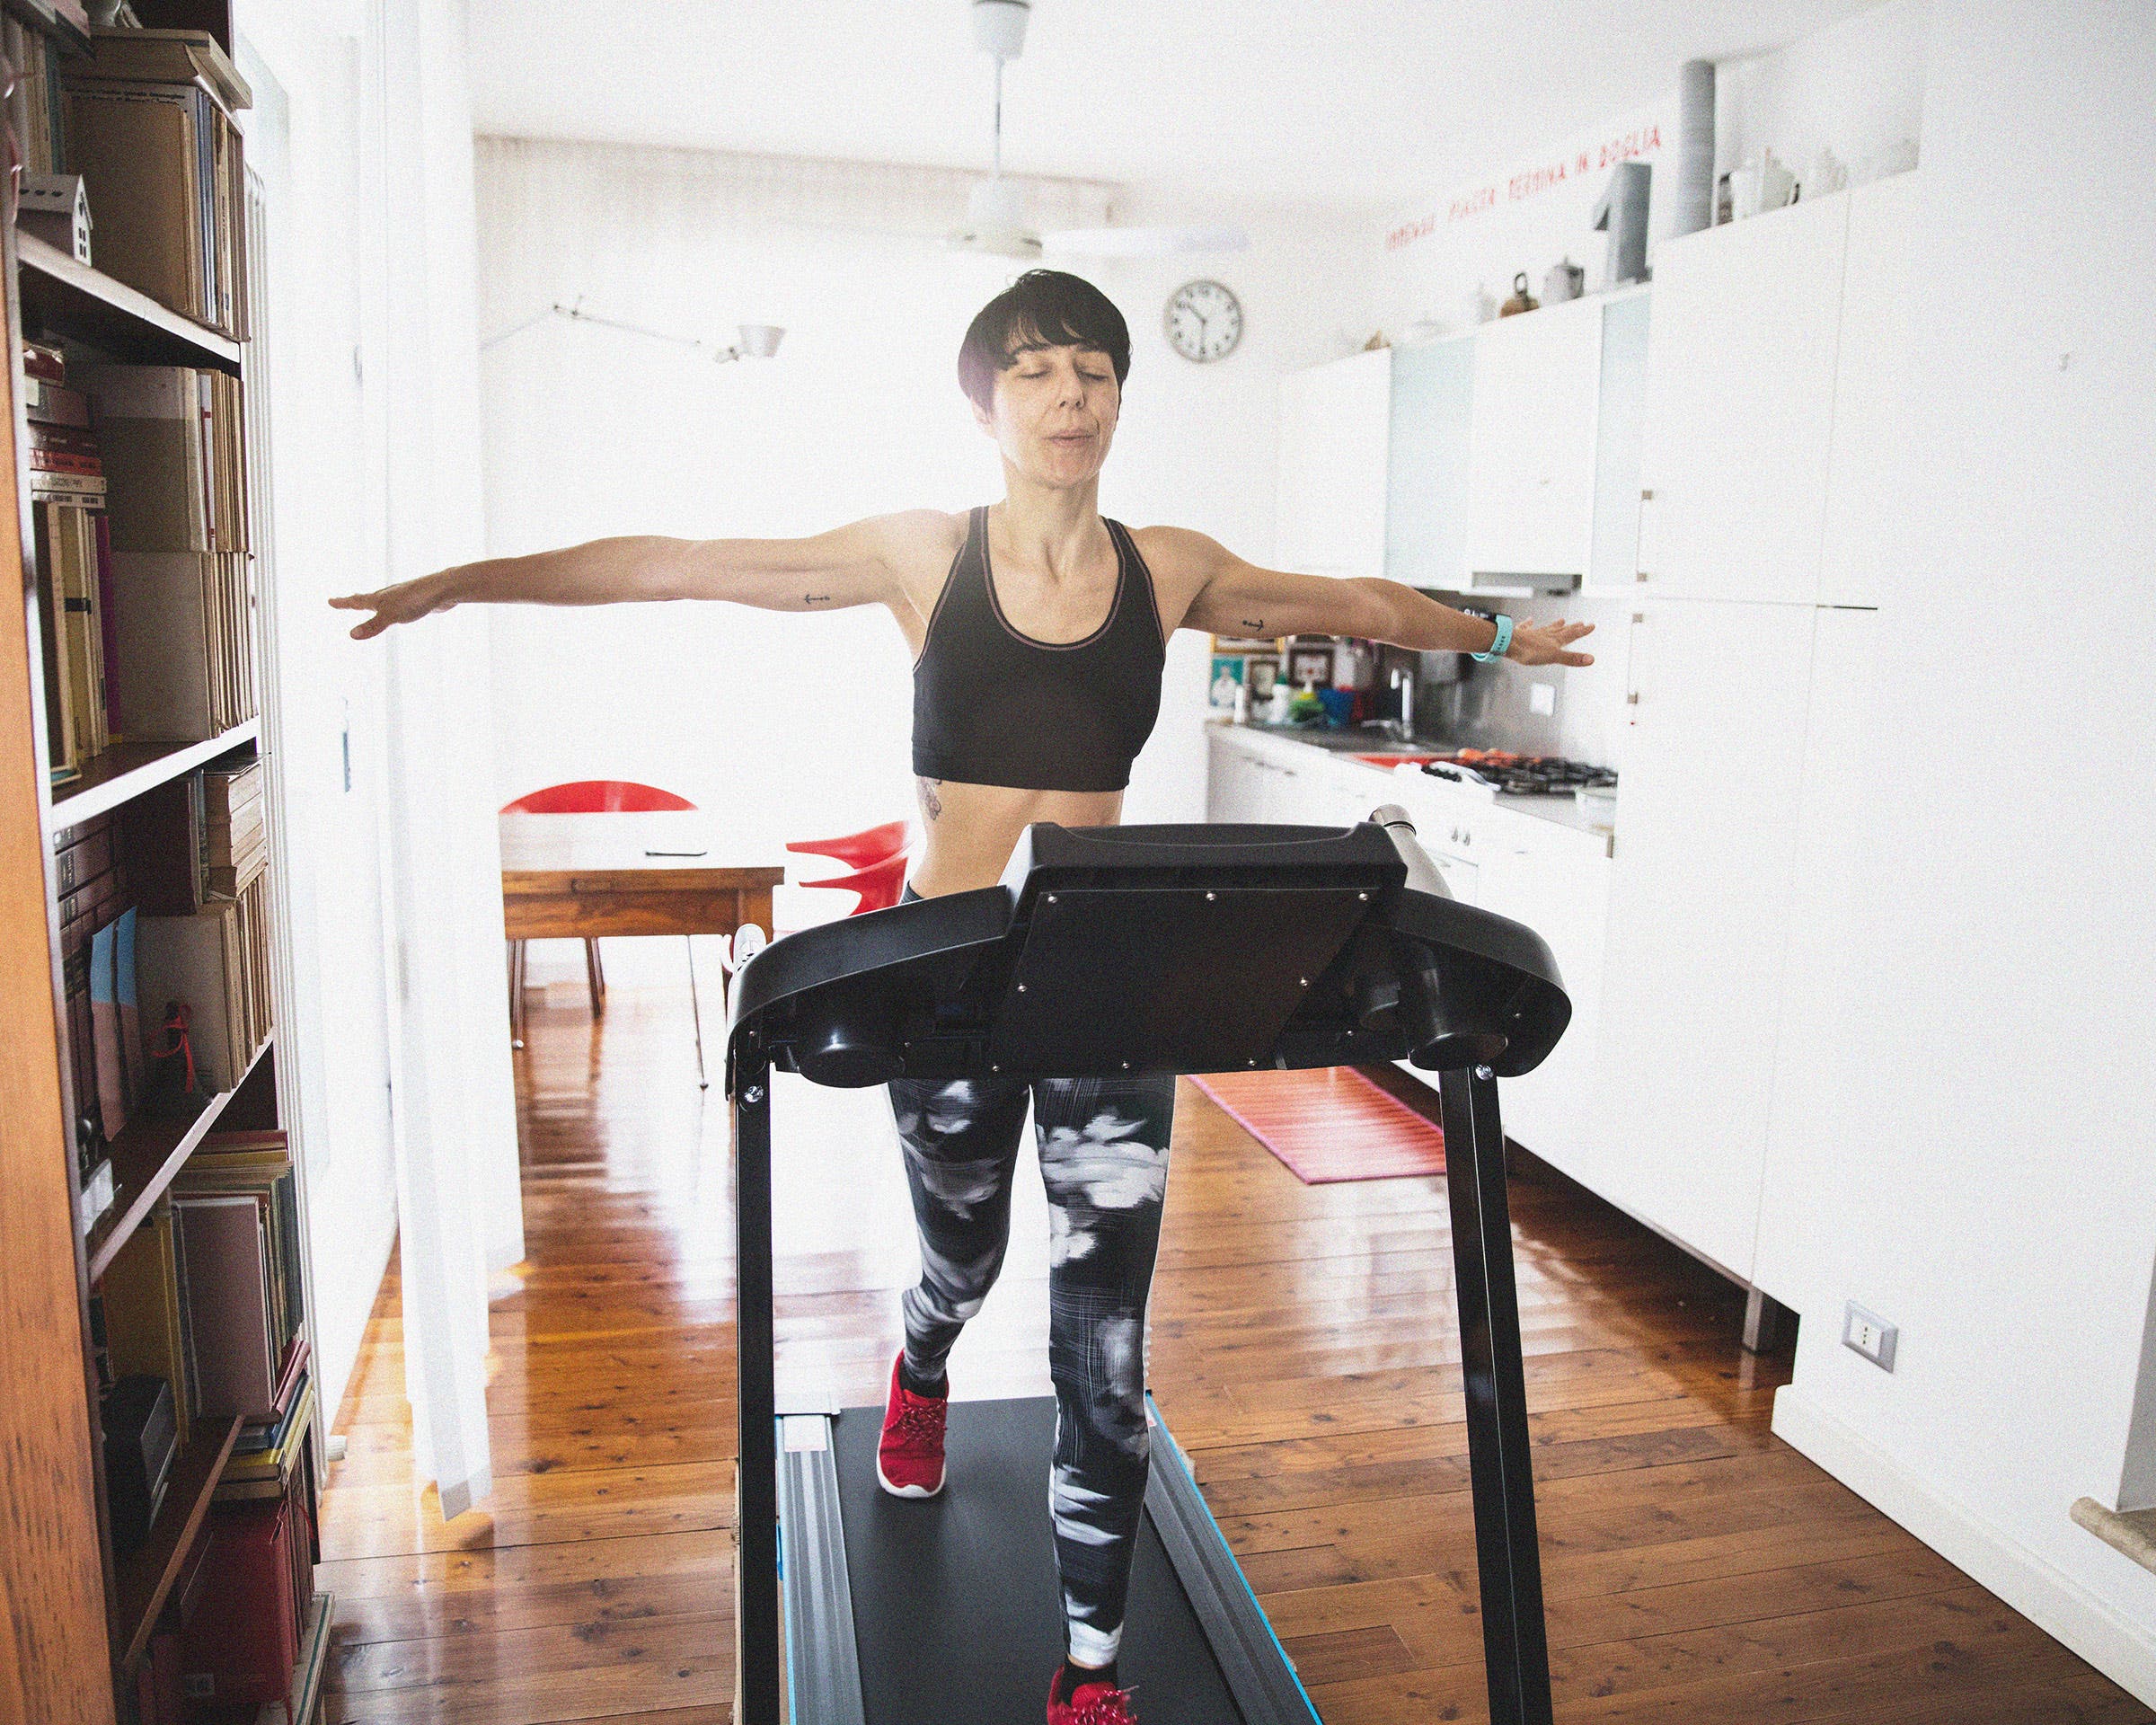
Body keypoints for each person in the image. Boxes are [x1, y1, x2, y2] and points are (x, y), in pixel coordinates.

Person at [333, 269, 1593, 1725]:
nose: (1070, 398)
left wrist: (1498, 637)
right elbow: (677, 562)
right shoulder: (921, 555)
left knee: (1104, 1338)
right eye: (1040, 372)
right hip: (953, 977)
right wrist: (459, 585)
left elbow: (1353, 600)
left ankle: (1093, 1669)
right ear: (989, 401)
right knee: (960, 1259)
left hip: (1114, 978)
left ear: (1122, 399)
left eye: (1095, 374)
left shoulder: (1166, 567)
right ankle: (920, 1361)